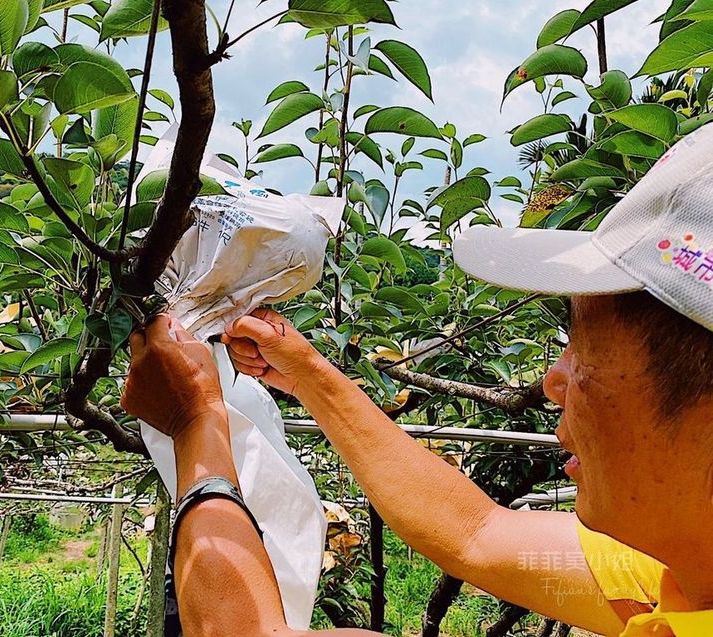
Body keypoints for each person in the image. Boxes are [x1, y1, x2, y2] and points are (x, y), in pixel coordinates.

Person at [121, 124, 713, 637]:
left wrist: (196, 424)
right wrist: (308, 374)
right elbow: (475, 533)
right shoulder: (679, 573)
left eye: (585, 347)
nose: (554, 380)